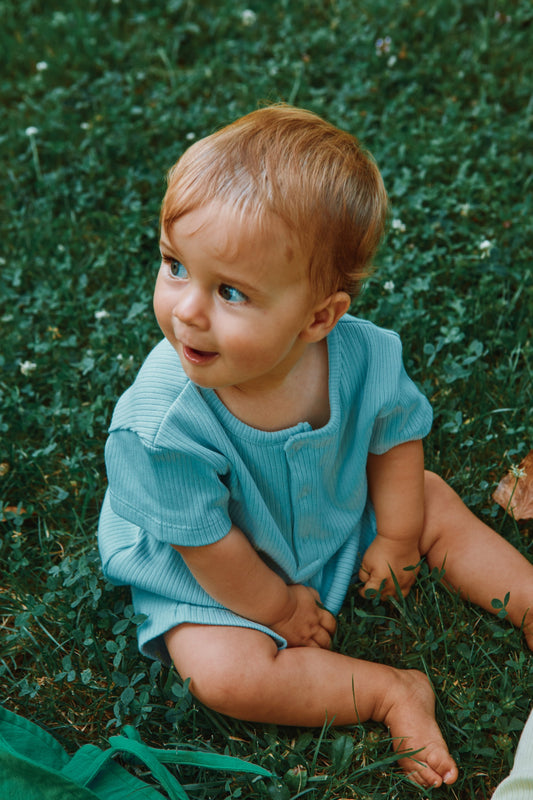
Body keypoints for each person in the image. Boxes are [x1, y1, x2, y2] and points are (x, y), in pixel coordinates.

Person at [98, 105, 533, 789]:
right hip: (216, 575)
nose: (186, 309)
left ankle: (528, 598)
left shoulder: (363, 355)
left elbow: (395, 439)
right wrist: (278, 609)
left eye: (230, 291)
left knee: (425, 499)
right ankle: (389, 692)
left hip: (337, 506)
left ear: (319, 317)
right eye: (175, 265)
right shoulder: (160, 428)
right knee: (222, 674)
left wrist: (396, 537)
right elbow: (207, 544)